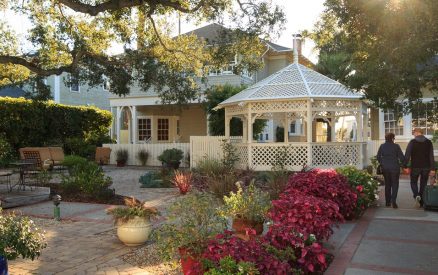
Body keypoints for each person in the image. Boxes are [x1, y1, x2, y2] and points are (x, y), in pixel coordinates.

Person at [403, 128, 436, 208]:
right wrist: (432, 169)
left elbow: (407, 155)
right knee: (423, 183)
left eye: (414, 132)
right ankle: (421, 202)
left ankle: (416, 195)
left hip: (415, 166)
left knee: (413, 182)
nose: (413, 134)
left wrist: (405, 166)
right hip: (426, 167)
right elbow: (431, 156)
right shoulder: (428, 142)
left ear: (417, 133)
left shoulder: (412, 142)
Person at [377, 133, 405, 208]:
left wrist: (382, 163)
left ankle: (387, 202)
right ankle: (394, 201)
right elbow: (402, 157)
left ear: (386, 138)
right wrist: (403, 164)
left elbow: (378, 156)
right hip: (395, 167)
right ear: (392, 138)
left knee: (388, 185)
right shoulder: (396, 146)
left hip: (385, 168)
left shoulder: (382, 146)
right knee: (395, 184)